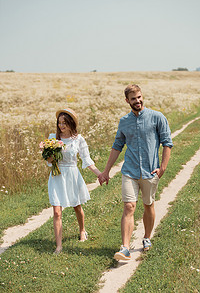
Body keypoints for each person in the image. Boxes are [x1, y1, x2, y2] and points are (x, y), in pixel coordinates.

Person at [98, 84, 173, 261]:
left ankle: (147, 237)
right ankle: (125, 247)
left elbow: (167, 142)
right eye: (133, 99)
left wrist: (162, 168)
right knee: (129, 206)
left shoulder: (157, 117)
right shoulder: (124, 121)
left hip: (150, 171)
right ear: (127, 101)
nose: (137, 101)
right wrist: (106, 171)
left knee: (148, 205)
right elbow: (117, 146)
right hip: (130, 171)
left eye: (139, 97)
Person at [47, 108, 101, 254]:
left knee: (77, 206)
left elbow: (87, 159)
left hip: (72, 175)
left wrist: (99, 174)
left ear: (71, 123)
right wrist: (49, 156)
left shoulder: (78, 139)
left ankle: (82, 230)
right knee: (57, 211)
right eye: (59, 123)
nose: (61, 126)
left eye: (64, 123)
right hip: (57, 176)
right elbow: (49, 161)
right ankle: (59, 246)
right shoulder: (53, 138)